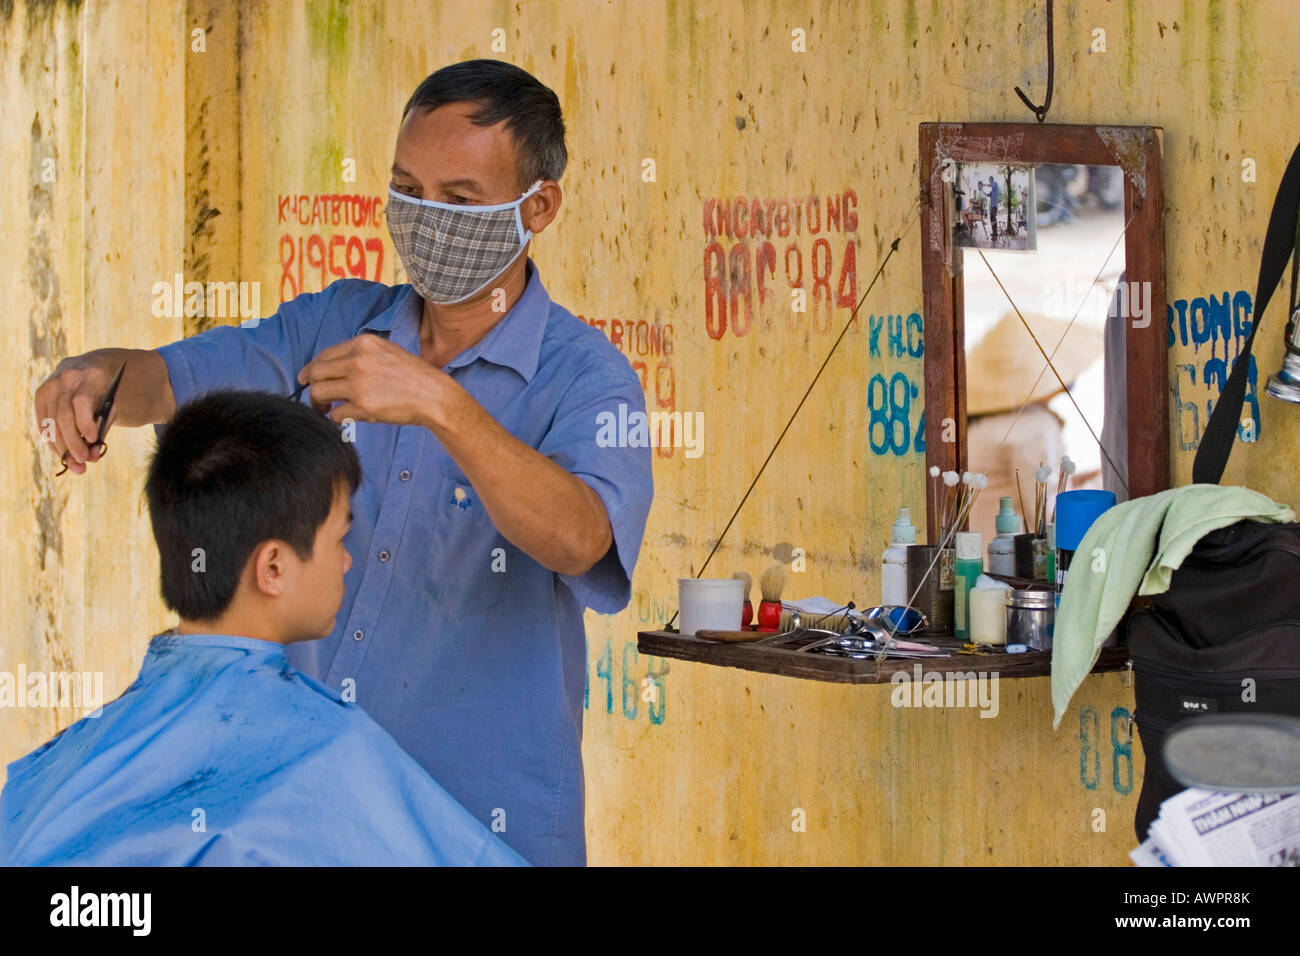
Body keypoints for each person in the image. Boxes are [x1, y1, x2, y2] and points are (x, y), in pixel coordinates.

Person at [31, 59, 654, 866]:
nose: (427, 220)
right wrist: (101, 378)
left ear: (537, 206)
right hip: (311, 829)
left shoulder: (586, 378)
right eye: (408, 191)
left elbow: (582, 541)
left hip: (478, 830)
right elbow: (174, 378)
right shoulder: (338, 323)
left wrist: (439, 403)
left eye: (460, 201)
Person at [1, 391, 525, 866]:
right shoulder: (332, 755)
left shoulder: (63, 766)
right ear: (273, 567)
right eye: (340, 540)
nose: (346, 562)